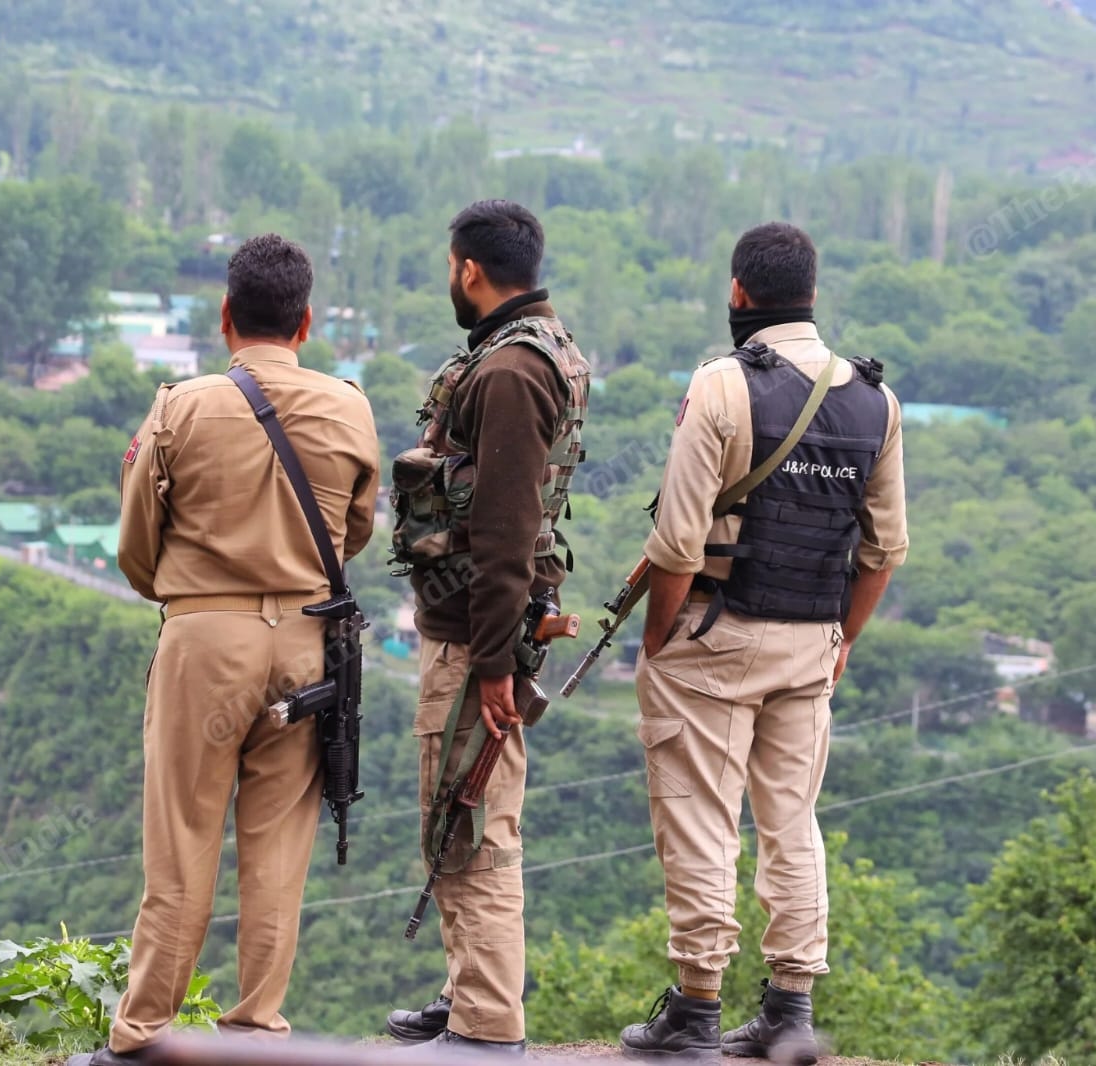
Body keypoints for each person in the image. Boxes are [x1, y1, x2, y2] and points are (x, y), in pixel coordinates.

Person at [71, 234, 379, 1065]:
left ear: (224, 317)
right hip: (311, 647)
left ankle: (141, 1037)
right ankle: (256, 1032)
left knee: (182, 843)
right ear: (306, 321)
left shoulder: (180, 406)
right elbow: (352, 534)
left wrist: (194, 589)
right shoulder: (349, 407)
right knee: (278, 852)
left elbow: (137, 547)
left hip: (204, 641)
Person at [618, 222, 907, 1063]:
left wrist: (657, 642)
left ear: (740, 292)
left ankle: (697, 1008)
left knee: (703, 817)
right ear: (812, 292)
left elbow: (675, 544)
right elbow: (885, 550)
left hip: (714, 635)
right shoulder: (875, 400)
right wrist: (842, 639)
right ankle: (791, 1007)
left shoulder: (720, 386)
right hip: (811, 639)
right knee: (793, 822)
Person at [384, 200, 591, 1054]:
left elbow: (505, 531)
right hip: (489, 625)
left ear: (469, 268)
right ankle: (467, 991)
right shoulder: (547, 351)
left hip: (478, 634)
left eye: (449, 266)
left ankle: (485, 1027)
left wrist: (498, 660)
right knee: (465, 813)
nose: (449, 280)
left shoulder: (508, 371)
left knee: (469, 824)